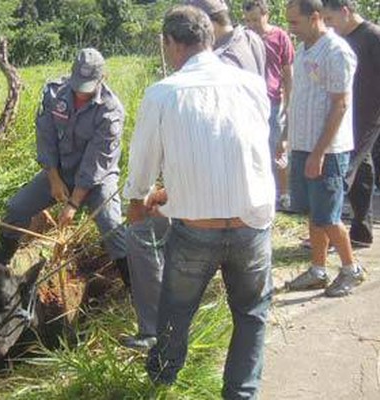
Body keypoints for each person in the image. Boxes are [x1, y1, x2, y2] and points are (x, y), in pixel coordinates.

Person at [124, 5, 275, 397]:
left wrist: (137, 201)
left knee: (176, 311)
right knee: (252, 316)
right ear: (209, 39)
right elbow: (246, 152)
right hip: (252, 225)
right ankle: (241, 394)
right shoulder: (251, 85)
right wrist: (170, 192)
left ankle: (161, 383)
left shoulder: (163, 93)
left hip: (195, 234)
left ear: (171, 44)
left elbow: (142, 164)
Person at [0, 48, 129, 285]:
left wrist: (73, 203)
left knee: (112, 226)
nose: (81, 92)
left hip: (97, 180)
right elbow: (45, 139)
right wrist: (54, 178)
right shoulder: (54, 93)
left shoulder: (110, 111)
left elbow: (96, 163)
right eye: (78, 84)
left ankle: (133, 287)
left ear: (102, 78)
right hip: (59, 171)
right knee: (16, 209)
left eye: (87, 86)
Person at [283, 0, 363, 297]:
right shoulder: (305, 49)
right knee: (314, 213)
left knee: (328, 216)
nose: (291, 29)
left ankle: (350, 269)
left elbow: (340, 103)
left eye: (295, 23)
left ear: (315, 17)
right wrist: (288, 139)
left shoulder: (336, 51)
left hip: (327, 151)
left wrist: (318, 153)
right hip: (303, 146)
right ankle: (318, 270)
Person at [322, 0, 380, 248]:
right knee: (362, 169)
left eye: (330, 20)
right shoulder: (340, 40)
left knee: (343, 171)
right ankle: (361, 232)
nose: (328, 26)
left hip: (369, 116)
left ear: (345, 12)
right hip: (348, 113)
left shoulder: (373, 36)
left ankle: (327, 230)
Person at [244, 0, 295, 210]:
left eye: (256, 19)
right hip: (248, 101)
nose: (252, 24)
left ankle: (283, 193)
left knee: (276, 148)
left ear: (267, 15)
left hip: (273, 99)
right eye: (248, 20)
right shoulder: (244, 38)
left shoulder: (279, 36)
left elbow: (288, 72)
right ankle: (259, 193)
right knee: (251, 149)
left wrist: (289, 102)